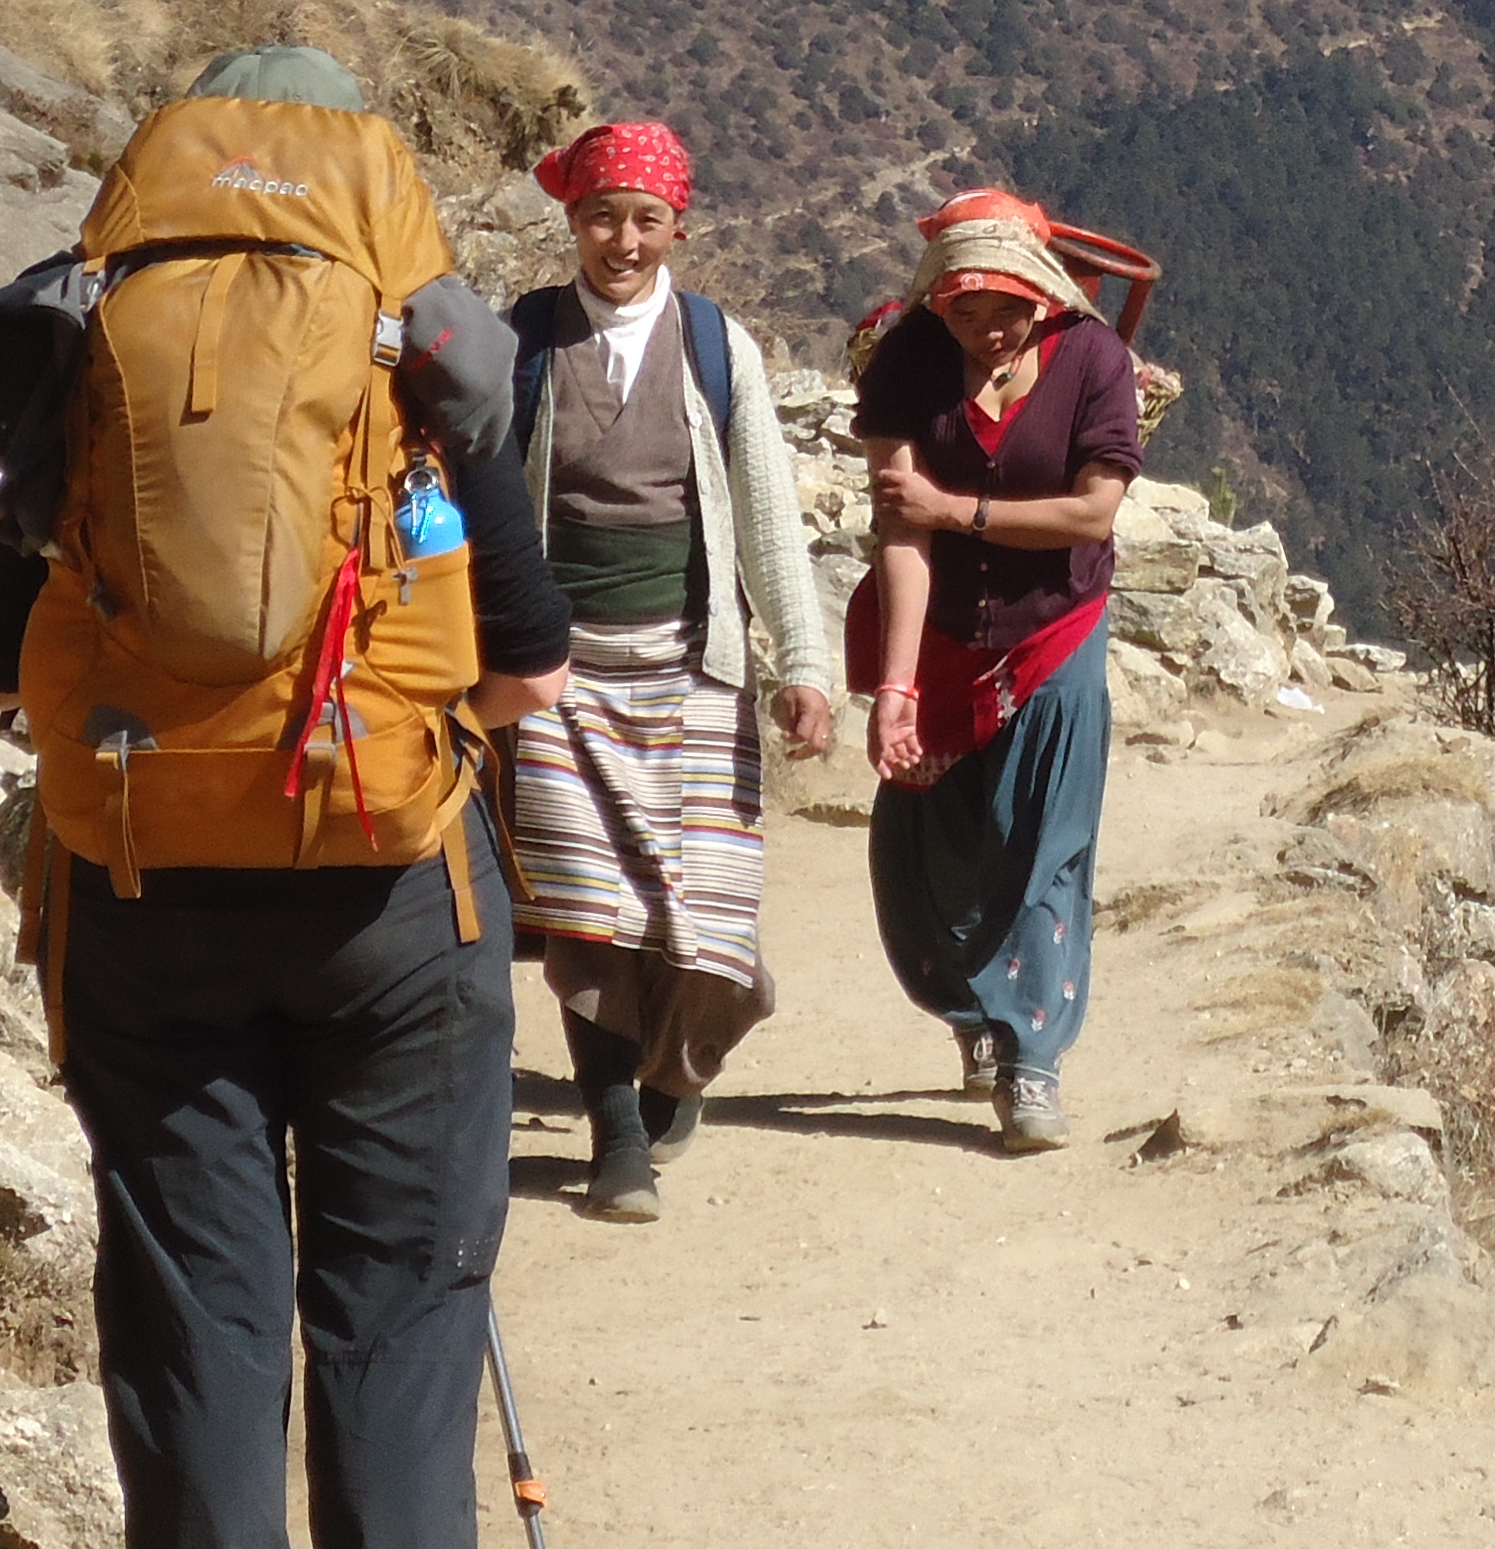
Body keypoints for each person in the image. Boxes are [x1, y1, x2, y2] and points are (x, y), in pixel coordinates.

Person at [0, 46, 569, 1549]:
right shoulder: (420, 363)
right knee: (400, 1307)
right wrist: (383, 729)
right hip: (392, 898)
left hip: (143, 892)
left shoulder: (96, 350)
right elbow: (531, 671)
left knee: (193, 1307)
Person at [488, 117, 835, 1222]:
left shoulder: (718, 346)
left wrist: (804, 663)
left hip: (694, 671)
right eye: (602, 217)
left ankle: (676, 1075)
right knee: (591, 912)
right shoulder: (524, 342)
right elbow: (485, 502)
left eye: (645, 220)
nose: (623, 242)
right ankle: (616, 1133)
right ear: (572, 221)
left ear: (679, 226)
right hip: (560, 679)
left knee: (706, 926)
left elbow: (767, 519)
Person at [852, 187, 1145, 1149]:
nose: (987, 330)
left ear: (1041, 293)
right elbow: (901, 529)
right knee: (927, 840)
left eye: (1007, 309)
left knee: (1046, 836)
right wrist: (896, 688)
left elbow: (1092, 513)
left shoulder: (1093, 360)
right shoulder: (906, 359)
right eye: (965, 310)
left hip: (1057, 626)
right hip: (941, 628)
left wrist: (958, 513)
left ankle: (1033, 1060)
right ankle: (972, 1008)